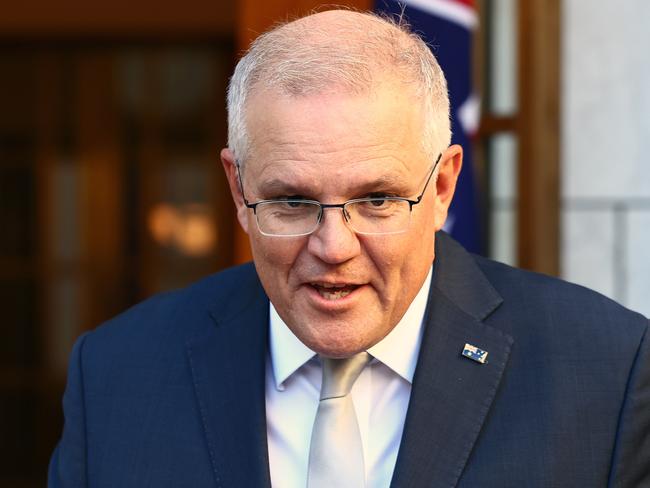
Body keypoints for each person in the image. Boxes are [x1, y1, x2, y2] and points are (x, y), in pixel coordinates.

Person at [48, 9, 649, 488]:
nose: (333, 246)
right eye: (291, 203)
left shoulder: (607, 373)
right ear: (238, 188)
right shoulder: (117, 376)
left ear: (441, 187)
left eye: (378, 200)